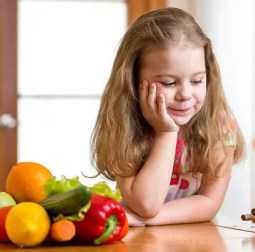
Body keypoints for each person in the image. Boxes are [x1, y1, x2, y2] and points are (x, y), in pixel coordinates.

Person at [91, 7, 245, 226]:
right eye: (169, 83)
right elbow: (146, 204)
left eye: (197, 81)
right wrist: (166, 132)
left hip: (195, 241)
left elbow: (209, 202)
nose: (184, 94)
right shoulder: (125, 124)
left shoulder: (220, 125)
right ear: (133, 80)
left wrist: (147, 220)